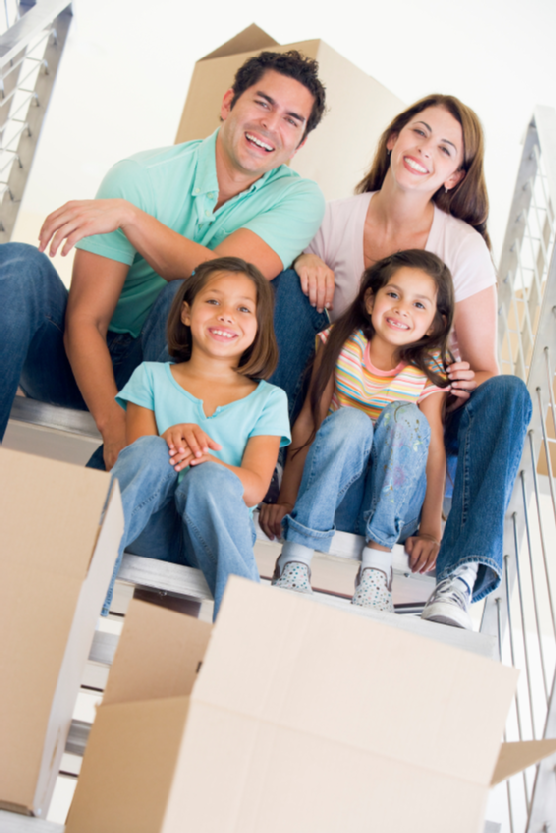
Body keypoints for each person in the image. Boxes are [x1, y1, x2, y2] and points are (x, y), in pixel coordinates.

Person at [263, 94, 532, 628]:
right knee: (287, 286)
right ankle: (267, 472)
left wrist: (457, 379)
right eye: (418, 132)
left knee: (510, 393)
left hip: (421, 406)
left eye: (444, 148)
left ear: (455, 175)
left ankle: (458, 573)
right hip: (340, 397)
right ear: (393, 138)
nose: (424, 150)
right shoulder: (333, 218)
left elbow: (484, 369)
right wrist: (302, 256)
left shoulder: (463, 248)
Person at [0, 50, 325, 470]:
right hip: (84, 358)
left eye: (291, 120)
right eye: (262, 103)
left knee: (189, 292)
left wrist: (130, 218)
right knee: (18, 263)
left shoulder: (299, 199)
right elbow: (86, 321)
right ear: (228, 103)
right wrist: (115, 426)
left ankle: (201, 473)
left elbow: (216, 280)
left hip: (173, 374)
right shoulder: (140, 176)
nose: (271, 125)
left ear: (299, 143)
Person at [260, 250, 453, 612]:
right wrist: (287, 499)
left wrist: (430, 529)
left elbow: (435, 450)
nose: (401, 310)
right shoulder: (341, 344)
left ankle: (377, 571)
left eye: (418, 304)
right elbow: (307, 422)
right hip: (333, 496)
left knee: (405, 418)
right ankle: (295, 558)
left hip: (395, 506)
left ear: (434, 324)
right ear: (370, 299)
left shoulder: (430, 371)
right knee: (350, 421)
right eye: (393, 295)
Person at [104, 257, 290, 619]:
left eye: (242, 308)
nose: (225, 315)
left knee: (210, 479)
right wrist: (170, 436)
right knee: (152, 449)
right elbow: (137, 459)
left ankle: (241, 628)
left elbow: (253, 488)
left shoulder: (270, 399)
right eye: (213, 301)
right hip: (148, 526)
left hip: (213, 534)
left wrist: (207, 461)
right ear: (186, 313)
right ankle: (87, 582)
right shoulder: (151, 377)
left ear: (259, 326)